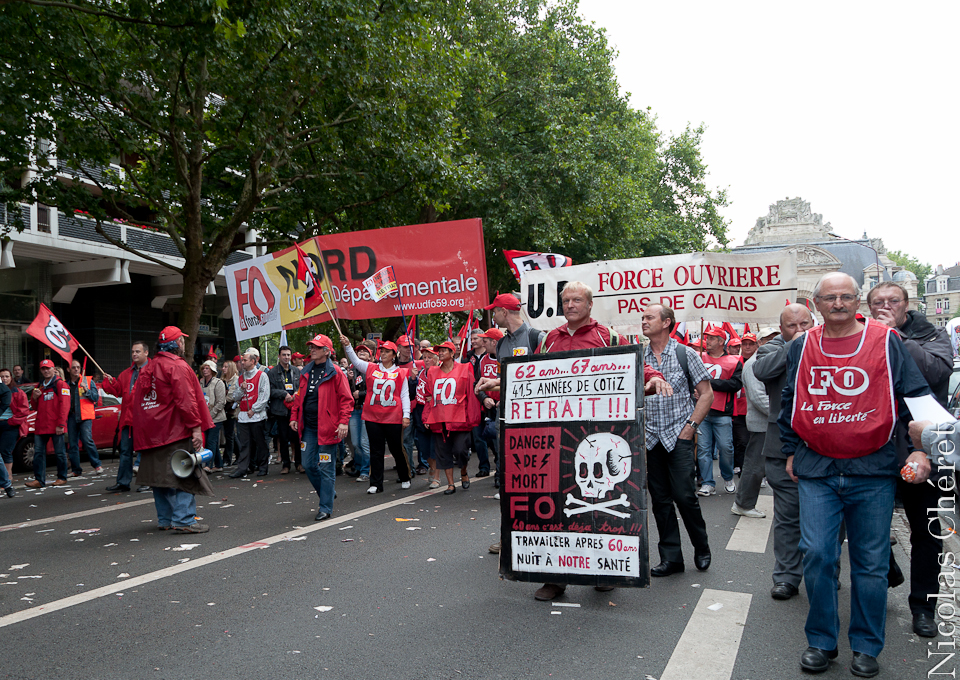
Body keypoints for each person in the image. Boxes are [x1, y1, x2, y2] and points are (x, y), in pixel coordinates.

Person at [779, 273, 931, 678]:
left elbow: (914, 397)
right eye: (831, 297)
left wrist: (921, 448)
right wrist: (791, 451)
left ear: (858, 301)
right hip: (817, 469)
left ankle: (865, 645)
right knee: (818, 555)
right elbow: (789, 401)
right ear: (817, 303)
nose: (840, 303)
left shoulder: (886, 341)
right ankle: (821, 641)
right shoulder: (802, 347)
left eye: (847, 296)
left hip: (872, 469)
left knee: (870, 563)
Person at [532, 281, 671, 600]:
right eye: (566, 300)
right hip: (558, 434)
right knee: (556, 506)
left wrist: (654, 378)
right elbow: (531, 374)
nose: (570, 305)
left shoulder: (607, 337)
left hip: (598, 434)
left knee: (599, 506)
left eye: (576, 299)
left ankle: (605, 569)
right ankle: (556, 577)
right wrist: (501, 383)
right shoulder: (549, 340)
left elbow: (637, 364)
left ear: (589, 305)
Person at [867, 280, 954, 638]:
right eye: (877, 302)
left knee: (927, 531)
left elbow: (937, 372)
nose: (885, 306)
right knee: (866, 525)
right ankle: (886, 572)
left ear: (906, 304)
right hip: (877, 445)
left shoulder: (931, 334)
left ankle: (923, 607)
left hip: (925, 446)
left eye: (893, 300)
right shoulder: (861, 335)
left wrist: (893, 339)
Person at [641, 304, 714, 580]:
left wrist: (690, 428)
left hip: (678, 437)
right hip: (650, 439)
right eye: (643, 318)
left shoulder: (686, 354)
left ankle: (701, 545)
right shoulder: (640, 356)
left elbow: (706, 394)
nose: (644, 322)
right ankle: (671, 558)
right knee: (660, 500)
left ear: (666, 322)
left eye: (649, 317)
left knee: (685, 496)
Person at [753, 303, 814, 601]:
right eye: (793, 326)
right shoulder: (771, 349)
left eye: (805, 325)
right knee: (788, 516)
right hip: (782, 447)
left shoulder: (828, 343)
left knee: (829, 516)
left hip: (822, 446)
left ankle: (827, 574)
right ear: (782, 329)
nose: (800, 331)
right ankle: (787, 577)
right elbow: (762, 370)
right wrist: (795, 345)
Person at [131, 326, 214, 533]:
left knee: (159, 478)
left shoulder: (148, 368)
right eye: (182, 341)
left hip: (152, 433)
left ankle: (165, 519)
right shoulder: (177, 366)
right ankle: (184, 519)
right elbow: (186, 401)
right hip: (174, 431)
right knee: (185, 474)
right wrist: (195, 428)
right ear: (178, 344)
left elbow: (138, 403)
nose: (184, 344)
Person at [289, 334, 353, 521]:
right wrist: (294, 416)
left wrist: (343, 422)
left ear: (327, 351)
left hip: (328, 429)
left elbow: (346, 400)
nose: (312, 350)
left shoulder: (336, 372)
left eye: (316, 347)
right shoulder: (306, 371)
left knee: (326, 467)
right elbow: (299, 398)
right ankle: (328, 492)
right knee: (308, 464)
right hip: (308, 428)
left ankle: (325, 506)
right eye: (311, 347)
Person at [341, 334, 413, 493]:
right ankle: (376, 483)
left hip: (393, 417)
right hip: (373, 416)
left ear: (394, 355)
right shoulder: (371, 367)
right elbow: (356, 361)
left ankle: (405, 476)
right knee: (376, 450)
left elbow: (404, 395)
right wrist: (348, 346)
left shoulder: (401, 373)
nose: (384, 353)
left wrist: (406, 415)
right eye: (382, 350)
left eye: (387, 351)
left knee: (396, 449)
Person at [420, 341, 480, 496]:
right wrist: (427, 417)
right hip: (440, 418)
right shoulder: (432, 372)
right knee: (443, 452)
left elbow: (471, 395)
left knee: (461, 450)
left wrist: (472, 416)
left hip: (459, 418)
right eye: (439, 351)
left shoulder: (465, 369)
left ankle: (464, 471)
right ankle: (451, 484)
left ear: (453, 353)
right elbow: (429, 396)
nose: (440, 353)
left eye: (444, 351)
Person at [695, 326, 743, 496]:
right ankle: (708, 483)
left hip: (723, 412)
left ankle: (728, 477)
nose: (707, 341)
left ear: (721, 342)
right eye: (707, 338)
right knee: (703, 449)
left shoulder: (734, 361)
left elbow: (736, 385)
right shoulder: (698, 357)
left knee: (726, 447)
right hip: (702, 411)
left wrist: (709, 383)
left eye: (711, 338)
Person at [102, 342, 151, 493]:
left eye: (138, 351)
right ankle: (123, 482)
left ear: (146, 353)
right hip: (128, 420)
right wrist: (109, 382)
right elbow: (117, 391)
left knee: (146, 452)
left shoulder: (153, 371)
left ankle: (147, 481)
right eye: (133, 352)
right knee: (125, 452)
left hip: (145, 420)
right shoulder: (125, 374)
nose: (134, 354)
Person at [731, 335, 768, 519]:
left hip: (769, 421)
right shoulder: (754, 364)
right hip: (763, 423)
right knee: (755, 465)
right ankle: (743, 503)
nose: (773, 343)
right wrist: (784, 414)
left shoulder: (767, 361)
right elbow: (759, 397)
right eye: (768, 340)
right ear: (760, 343)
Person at [25, 359, 70, 488]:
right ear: (41, 370)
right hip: (42, 425)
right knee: (38, 453)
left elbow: (65, 406)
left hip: (56, 425)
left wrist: (61, 424)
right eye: (43, 369)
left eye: (48, 368)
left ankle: (62, 477)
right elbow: (35, 407)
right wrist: (34, 397)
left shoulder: (60, 384)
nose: (46, 371)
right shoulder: (39, 386)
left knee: (60, 452)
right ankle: (39, 479)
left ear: (53, 369)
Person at [229, 348, 271, 478]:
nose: (242, 362)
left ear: (252, 361)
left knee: (260, 443)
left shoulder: (262, 375)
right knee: (245, 444)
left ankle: (263, 467)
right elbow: (235, 396)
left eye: (245, 360)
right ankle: (243, 468)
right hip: (243, 416)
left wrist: (254, 409)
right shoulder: (240, 378)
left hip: (256, 416)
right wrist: (242, 390)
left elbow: (264, 396)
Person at [64, 359, 104, 477]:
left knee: (87, 440)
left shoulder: (87, 381)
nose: (76, 369)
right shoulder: (66, 384)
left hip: (85, 415)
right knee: (72, 444)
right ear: (68, 370)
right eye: (74, 367)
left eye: (78, 367)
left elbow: (96, 398)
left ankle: (97, 464)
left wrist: (86, 390)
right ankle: (76, 470)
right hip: (71, 416)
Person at [267, 346, 300, 475]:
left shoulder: (296, 371)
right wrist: (283, 394)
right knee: (283, 438)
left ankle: (299, 463)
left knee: (297, 438)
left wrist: (297, 393)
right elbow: (269, 390)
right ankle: (286, 465)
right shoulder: (272, 372)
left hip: (295, 409)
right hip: (280, 410)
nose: (286, 357)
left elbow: (301, 386)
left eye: (288, 355)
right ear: (279, 356)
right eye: (284, 355)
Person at [345, 341, 373, 483]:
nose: (361, 353)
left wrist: (360, 394)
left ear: (370, 357)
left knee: (364, 442)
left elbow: (374, 390)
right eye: (359, 351)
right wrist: (348, 380)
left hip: (367, 409)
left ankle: (365, 470)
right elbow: (347, 393)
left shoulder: (373, 370)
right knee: (355, 443)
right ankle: (359, 465)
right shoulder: (352, 370)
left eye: (364, 351)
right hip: (355, 410)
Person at [396, 335, 424, 475]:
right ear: (399, 348)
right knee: (405, 441)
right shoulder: (393, 366)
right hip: (400, 409)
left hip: (417, 407)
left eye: (411, 347)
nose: (409, 349)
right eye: (406, 347)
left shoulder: (419, 364)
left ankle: (423, 464)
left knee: (420, 439)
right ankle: (409, 469)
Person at [413, 345, 439, 487]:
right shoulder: (420, 373)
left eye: (430, 357)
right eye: (425, 357)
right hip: (420, 410)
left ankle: (436, 475)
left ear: (436, 359)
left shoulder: (440, 372)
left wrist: (434, 398)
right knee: (422, 446)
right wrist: (412, 379)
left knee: (434, 444)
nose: (427, 360)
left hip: (434, 411)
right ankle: (431, 466)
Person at [0, 369, 24, 497]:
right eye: (1, 376)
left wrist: (11, 421)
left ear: (11, 378)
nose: (4, 379)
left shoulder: (17, 392)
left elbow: (23, 411)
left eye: (6, 376)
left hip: (10, 425)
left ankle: (8, 479)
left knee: (5, 451)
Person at [199, 359, 226, 472]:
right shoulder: (200, 382)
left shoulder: (218, 383)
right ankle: (219, 464)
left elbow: (221, 402)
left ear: (212, 370)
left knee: (211, 440)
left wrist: (211, 414)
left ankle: (208, 465)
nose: (205, 370)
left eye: (207, 368)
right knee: (210, 441)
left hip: (216, 417)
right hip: (204, 417)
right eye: (203, 368)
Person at [220, 360, 240, 467]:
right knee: (230, 434)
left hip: (231, 410)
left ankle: (227, 458)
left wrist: (221, 399)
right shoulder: (222, 380)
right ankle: (239, 453)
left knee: (229, 434)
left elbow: (231, 396)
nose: (223, 369)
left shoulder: (236, 380)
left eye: (225, 367)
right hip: (225, 409)